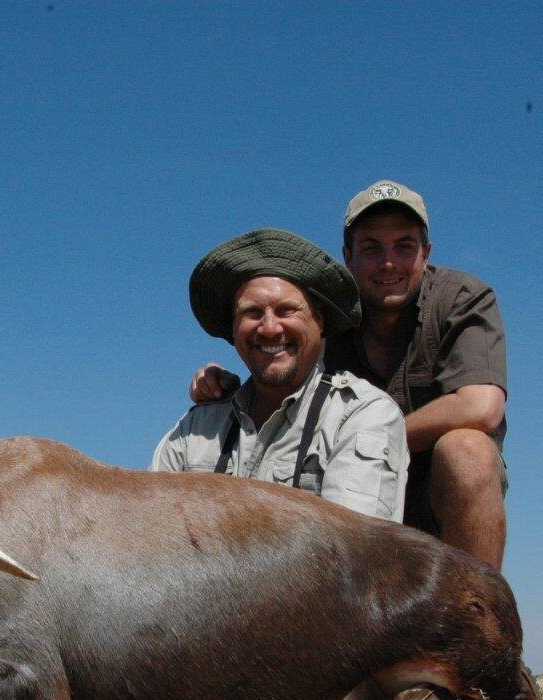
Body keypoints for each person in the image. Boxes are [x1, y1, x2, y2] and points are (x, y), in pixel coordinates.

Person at [190, 182, 508, 568]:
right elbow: (281, 371)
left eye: (403, 246)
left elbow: (481, 406)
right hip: (341, 488)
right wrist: (224, 384)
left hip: (429, 490)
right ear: (348, 256)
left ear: (426, 253)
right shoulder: (327, 315)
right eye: (371, 248)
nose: (388, 262)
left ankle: (475, 620)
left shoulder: (460, 297)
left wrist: (372, 434)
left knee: (468, 454)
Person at [153, 228, 409, 522]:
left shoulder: (362, 415)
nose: (270, 328)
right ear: (233, 328)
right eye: (252, 313)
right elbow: (150, 538)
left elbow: (353, 556)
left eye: (287, 310)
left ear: (319, 320)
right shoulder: (195, 428)